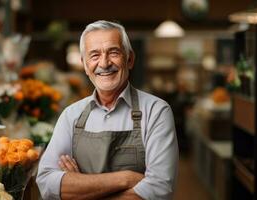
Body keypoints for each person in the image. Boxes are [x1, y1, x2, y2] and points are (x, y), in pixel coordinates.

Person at [36, 20, 178, 200]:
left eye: (113, 52)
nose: (104, 63)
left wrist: (81, 187)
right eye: (94, 55)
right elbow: (47, 184)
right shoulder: (71, 116)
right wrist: (126, 179)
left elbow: (160, 190)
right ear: (85, 65)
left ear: (130, 59)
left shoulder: (156, 111)